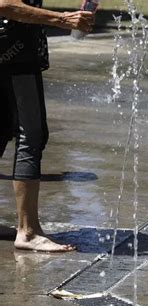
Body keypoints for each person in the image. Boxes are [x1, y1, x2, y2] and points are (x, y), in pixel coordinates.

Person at [0, 0, 95, 251]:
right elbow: (5, 4)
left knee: (1, 130)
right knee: (30, 134)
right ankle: (28, 232)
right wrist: (62, 19)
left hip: (8, 50)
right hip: (14, 53)